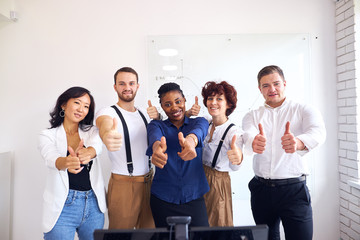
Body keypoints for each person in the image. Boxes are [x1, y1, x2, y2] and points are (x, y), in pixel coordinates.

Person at [242, 65, 326, 240]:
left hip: (294, 190)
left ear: (285, 84)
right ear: (260, 89)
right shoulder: (252, 116)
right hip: (261, 190)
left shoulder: (303, 110)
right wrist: (253, 141)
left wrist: (299, 142)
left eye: (276, 83)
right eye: (265, 86)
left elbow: (318, 132)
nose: (271, 89)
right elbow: (248, 134)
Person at [38, 87, 106, 240]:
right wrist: (67, 162)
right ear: (63, 105)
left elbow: (98, 145)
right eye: (77, 102)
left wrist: (90, 152)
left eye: (86, 106)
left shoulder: (92, 131)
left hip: (93, 205)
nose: (81, 109)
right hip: (62, 207)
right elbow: (50, 157)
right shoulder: (47, 135)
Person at [95, 67, 155, 229]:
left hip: (150, 183)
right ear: (115, 87)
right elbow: (104, 124)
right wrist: (107, 135)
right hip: (123, 185)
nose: (127, 87)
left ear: (137, 86)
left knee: (151, 235)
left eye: (131, 83)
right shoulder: (107, 111)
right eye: (122, 84)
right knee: (120, 235)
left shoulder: (145, 113)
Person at [146, 82, 210, 227]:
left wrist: (190, 141)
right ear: (162, 107)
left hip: (194, 197)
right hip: (163, 199)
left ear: (184, 101)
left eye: (178, 101)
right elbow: (154, 137)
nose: (174, 107)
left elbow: (200, 131)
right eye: (167, 104)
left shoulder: (199, 122)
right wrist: (157, 148)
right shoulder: (156, 125)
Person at [201, 81, 244, 227]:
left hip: (218, 182)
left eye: (219, 99)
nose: (213, 102)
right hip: (199, 178)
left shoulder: (234, 132)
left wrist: (237, 159)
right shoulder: (205, 123)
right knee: (198, 226)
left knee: (218, 225)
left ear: (229, 104)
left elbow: (236, 167)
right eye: (210, 98)